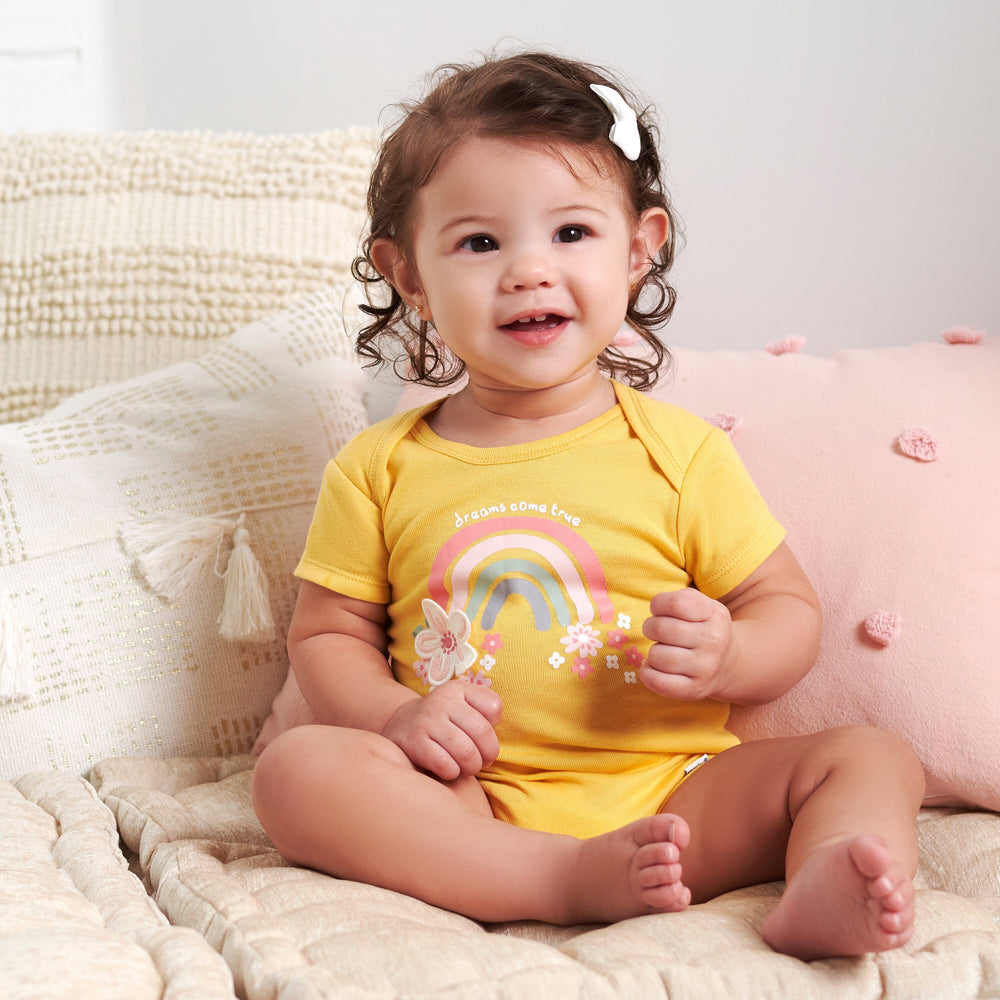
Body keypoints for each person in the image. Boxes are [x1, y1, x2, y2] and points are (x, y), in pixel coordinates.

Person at [253, 51, 925, 961]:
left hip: (678, 795)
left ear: (638, 248)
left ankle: (832, 870)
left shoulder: (680, 453)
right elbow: (327, 635)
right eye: (480, 244)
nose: (529, 271)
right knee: (294, 772)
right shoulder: (379, 467)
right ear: (408, 275)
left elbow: (787, 609)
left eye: (571, 232)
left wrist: (731, 653)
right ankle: (556, 877)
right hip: (466, 800)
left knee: (874, 755)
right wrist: (393, 719)